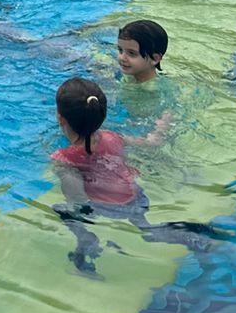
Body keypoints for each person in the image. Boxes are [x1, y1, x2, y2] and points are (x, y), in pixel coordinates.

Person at [51, 77, 137, 208]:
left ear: (61, 118)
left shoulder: (63, 158)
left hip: (105, 206)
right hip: (137, 196)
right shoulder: (113, 137)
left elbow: (76, 197)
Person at [117, 19, 168, 84]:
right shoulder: (127, 74)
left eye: (131, 53)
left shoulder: (155, 89)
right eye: (120, 50)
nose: (122, 58)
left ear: (155, 59)